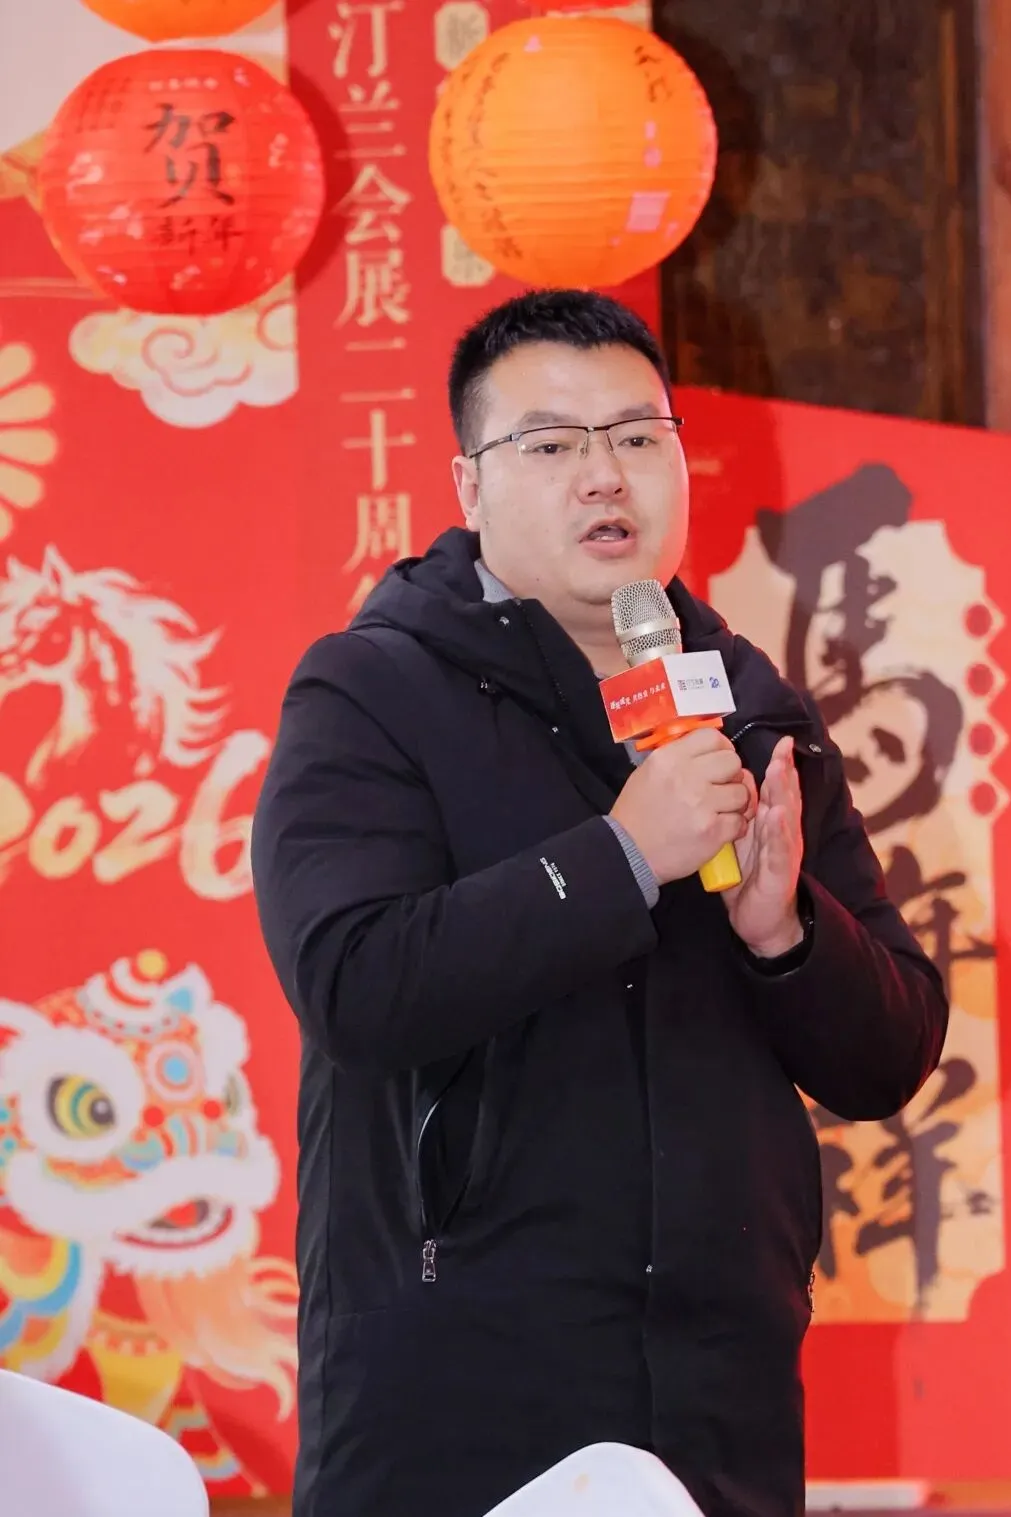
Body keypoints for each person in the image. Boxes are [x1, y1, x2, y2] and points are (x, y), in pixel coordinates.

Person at [251, 289, 949, 1517]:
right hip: (458, 1387)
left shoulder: (749, 706)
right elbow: (356, 983)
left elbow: (890, 1053)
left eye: (636, 436)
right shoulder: (369, 691)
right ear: (470, 485)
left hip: (717, 1385)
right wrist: (621, 856)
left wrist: (787, 936)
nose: (603, 476)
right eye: (552, 444)